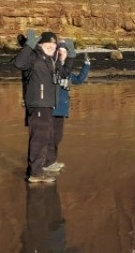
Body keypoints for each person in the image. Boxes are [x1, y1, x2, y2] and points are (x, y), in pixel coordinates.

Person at [12, 30, 73, 183]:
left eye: (54, 44)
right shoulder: (34, 56)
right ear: (40, 44)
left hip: (47, 104)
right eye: (48, 44)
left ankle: (37, 170)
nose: (52, 46)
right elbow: (18, 63)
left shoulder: (50, 60)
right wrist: (29, 45)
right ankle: (36, 174)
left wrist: (68, 54)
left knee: (43, 137)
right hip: (38, 103)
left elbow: (64, 73)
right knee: (39, 138)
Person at [44, 43, 90, 174]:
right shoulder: (51, 67)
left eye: (64, 51)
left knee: (57, 137)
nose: (61, 53)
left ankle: (52, 161)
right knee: (49, 136)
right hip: (50, 108)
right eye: (60, 51)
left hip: (62, 109)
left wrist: (87, 64)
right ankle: (47, 163)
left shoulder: (67, 71)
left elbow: (79, 80)